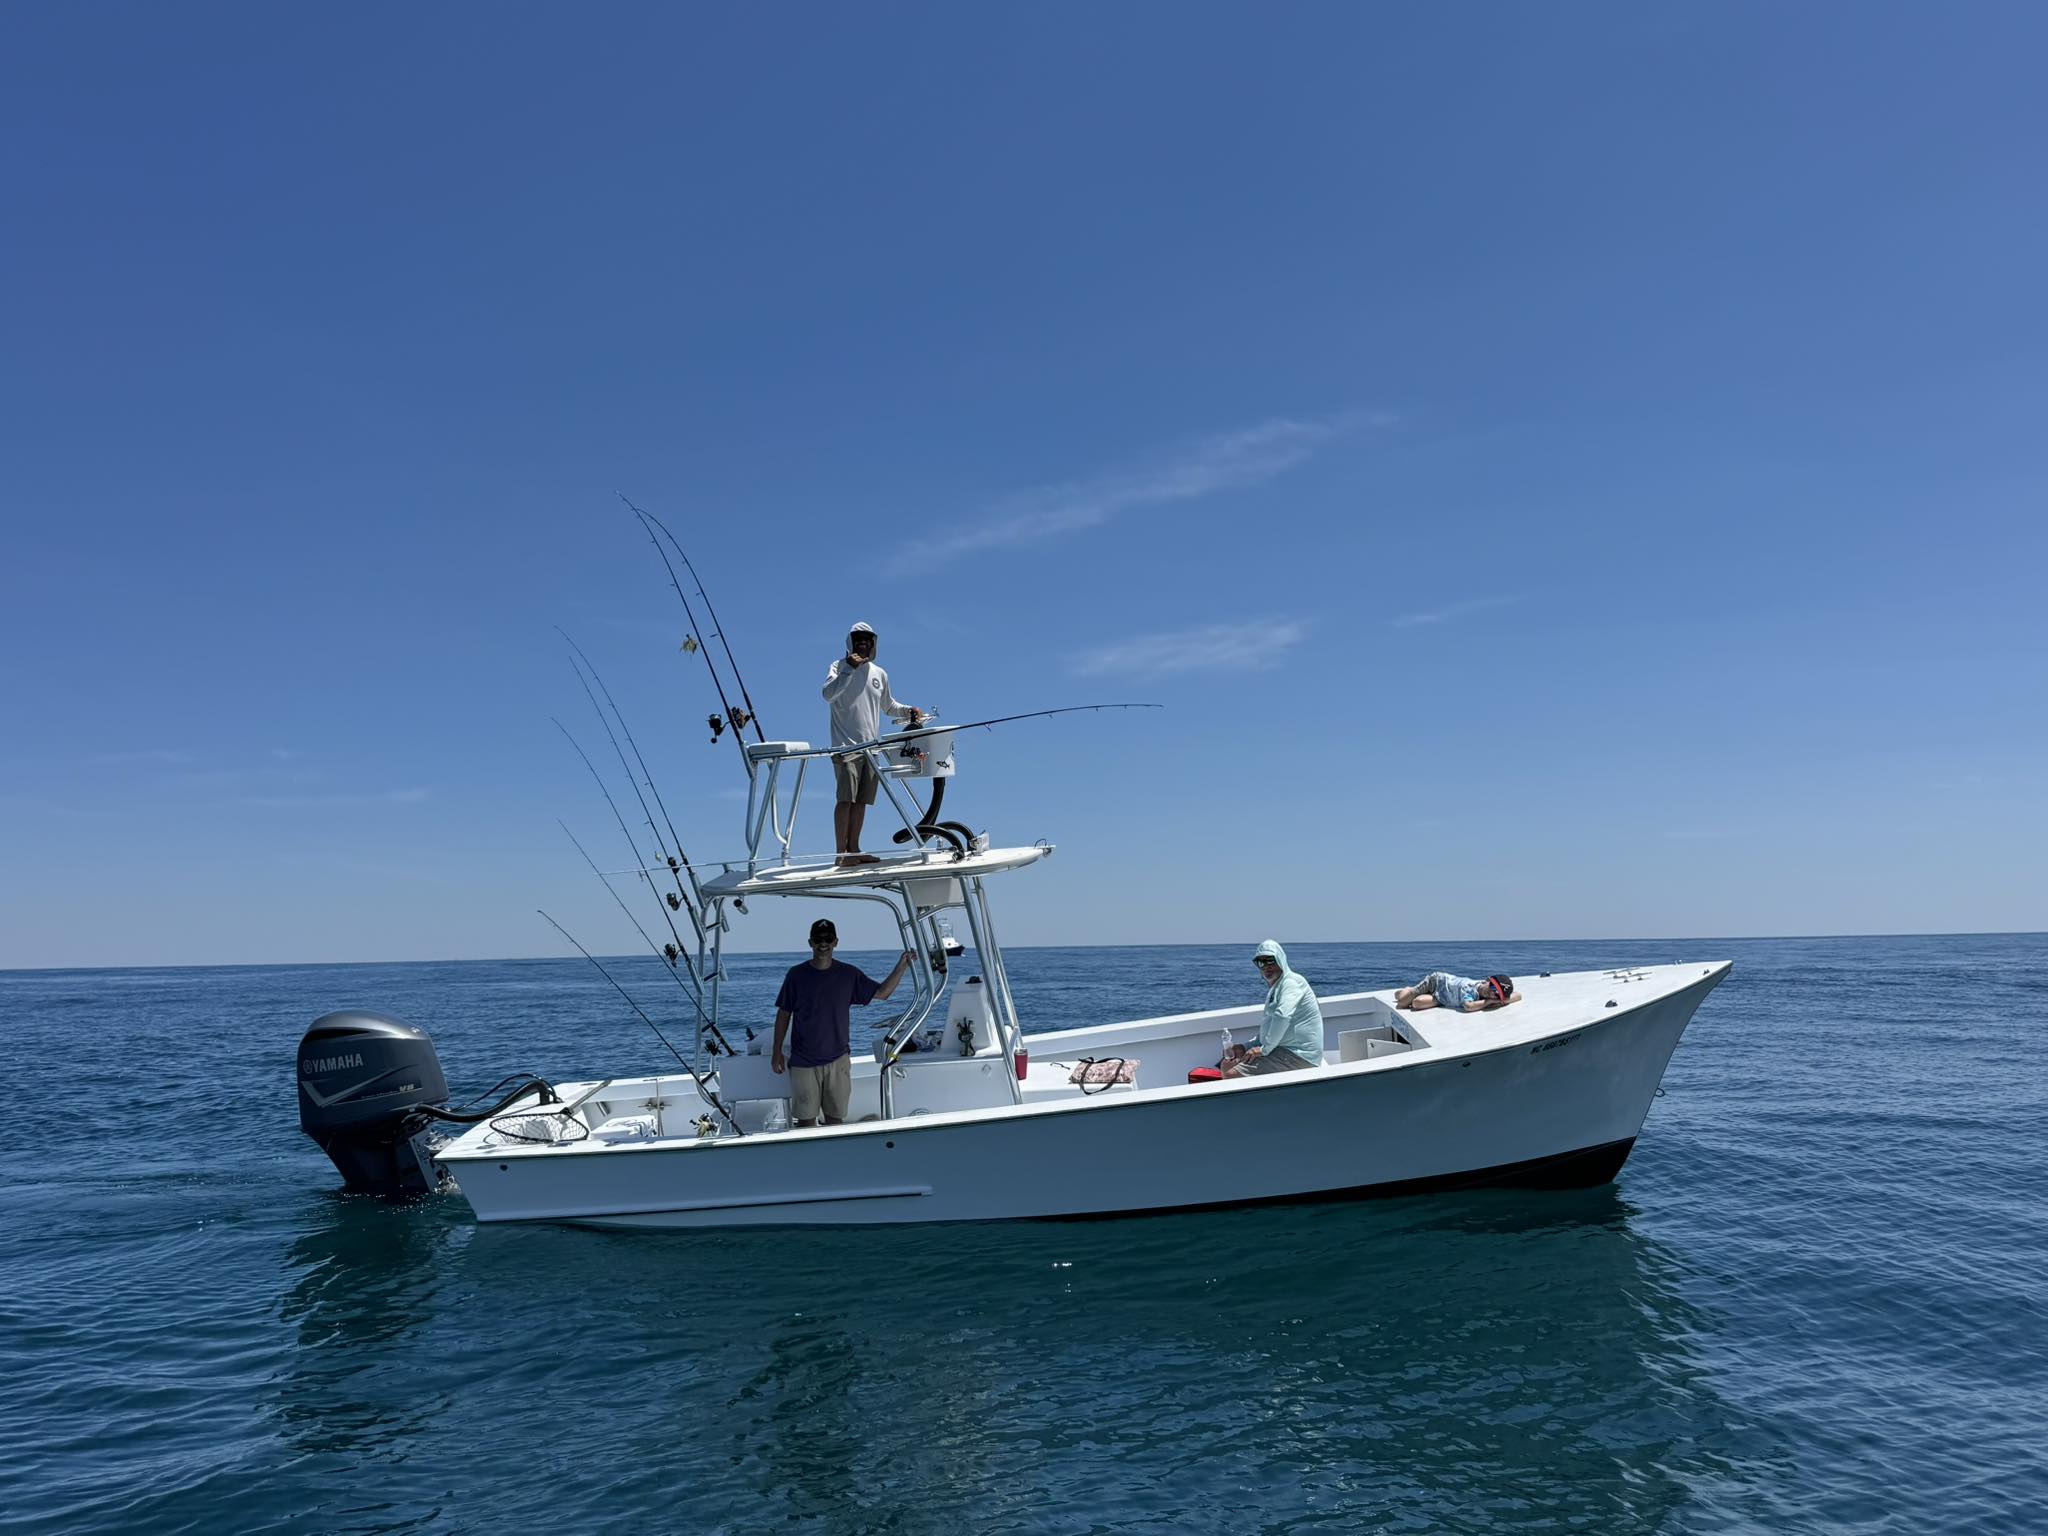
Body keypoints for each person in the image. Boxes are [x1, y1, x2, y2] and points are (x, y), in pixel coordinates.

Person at [771, 918, 913, 1125]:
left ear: (835, 942)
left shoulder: (849, 974)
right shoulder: (796, 975)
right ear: (810, 942)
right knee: (805, 1123)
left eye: (828, 938)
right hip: (803, 1062)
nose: (823, 943)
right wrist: (776, 1052)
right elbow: (783, 1014)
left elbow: (882, 993)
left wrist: (902, 966)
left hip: (838, 1060)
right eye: (818, 939)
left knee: (835, 1120)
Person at [821, 621, 923, 867]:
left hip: (870, 747)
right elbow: (828, 694)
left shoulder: (880, 674)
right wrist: (849, 669)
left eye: (867, 641)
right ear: (850, 643)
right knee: (845, 798)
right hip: (845, 747)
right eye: (858, 641)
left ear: (873, 644)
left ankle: (854, 849)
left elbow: (889, 706)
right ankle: (841, 853)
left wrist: (909, 710)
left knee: (862, 800)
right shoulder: (838, 667)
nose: (863, 645)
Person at [1223, 940, 1326, 1077]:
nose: (1266, 966)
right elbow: (1267, 1032)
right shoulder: (1276, 988)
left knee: (1231, 1073)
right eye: (1261, 962)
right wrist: (1245, 1047)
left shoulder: (1291, 982)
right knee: (1227, 1063)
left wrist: (1264, 1050)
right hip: (1281, 1051)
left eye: (1270, 960)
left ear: (1281, 959)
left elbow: (1282, 1016)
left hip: (1300, 1056)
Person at [1395, 972, 1520, 1012]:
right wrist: (1489, 1001)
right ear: (1487, 980)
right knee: (1401, 1004)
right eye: (1493, 988)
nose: (1492, 994)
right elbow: (1468, 1006)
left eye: (1497, 994)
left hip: (1442, 997)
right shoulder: (1469, 989)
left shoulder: (1487, 996)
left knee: (1416, 1004)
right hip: (1436, 982)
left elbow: (1518, 996)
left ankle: (1409, 993)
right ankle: (1407, 990)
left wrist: (1500, 999)